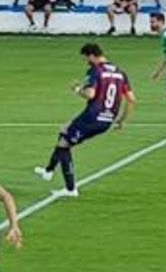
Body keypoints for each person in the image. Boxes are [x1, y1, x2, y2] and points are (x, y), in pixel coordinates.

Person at [34, 43, 136, 197]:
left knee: (63, 145)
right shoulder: (120, 73)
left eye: (86, 59)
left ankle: (70, 189)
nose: (86, 62)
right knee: (64, 130)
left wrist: (77, 90)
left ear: (92, 56)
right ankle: (48, 171)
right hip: (107, 120)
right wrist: (122, 120)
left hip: (92, 117)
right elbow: (132, 100)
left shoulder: (96, 71)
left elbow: (90, 94)